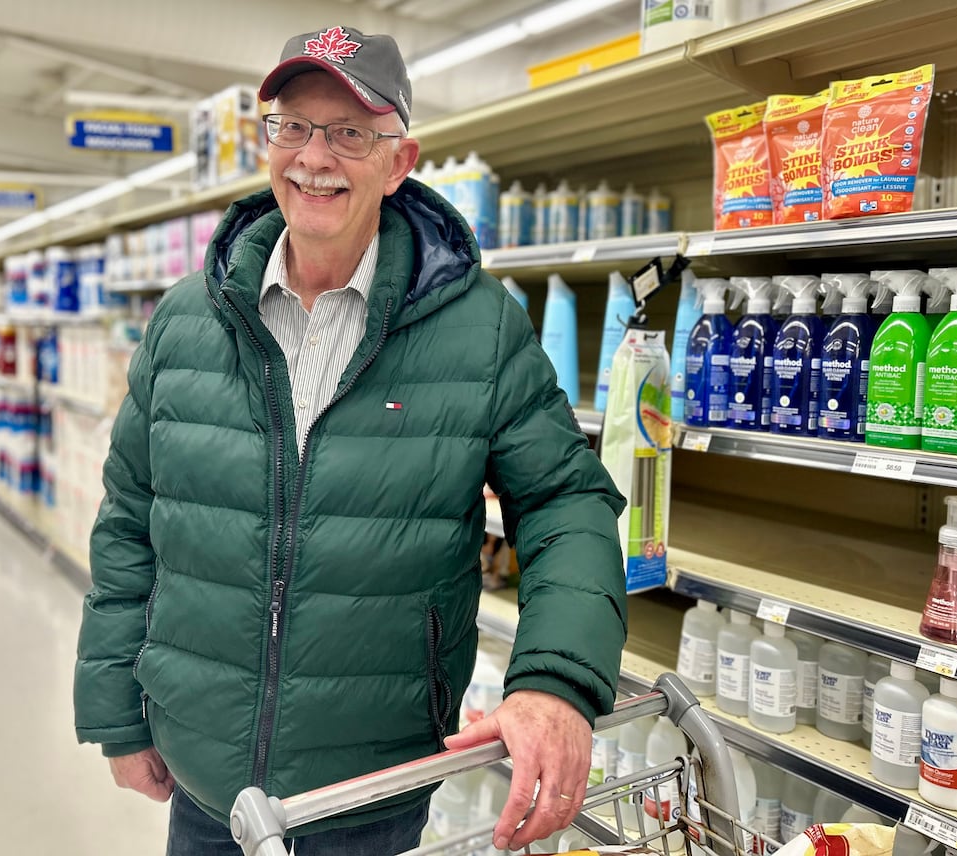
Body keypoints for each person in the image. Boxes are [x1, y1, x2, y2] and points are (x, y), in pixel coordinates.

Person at [74, 25, 627, 855]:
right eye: (292, 125)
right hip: (206, 783)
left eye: (349, 133)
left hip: (372, 787)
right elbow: (130, 521)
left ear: (400, 162)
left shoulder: (479, 329)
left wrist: (555, 681)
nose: (313, 157)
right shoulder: (187, 320)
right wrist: (117, 711)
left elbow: (566, 501)